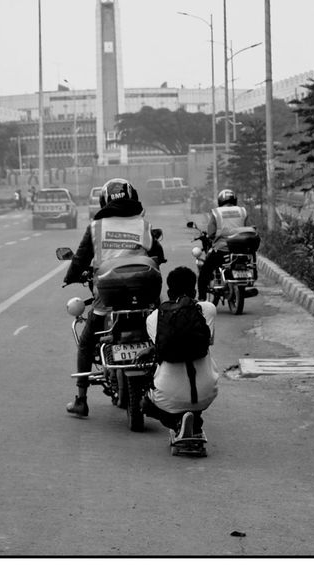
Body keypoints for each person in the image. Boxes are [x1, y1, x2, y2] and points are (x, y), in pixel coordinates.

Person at [61, 178, 165, 417]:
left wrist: (70, 278)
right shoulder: (143, 225)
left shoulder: (96, 227)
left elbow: (79, 260)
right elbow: (158, 254)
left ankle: (81, 399)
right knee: (161, 329)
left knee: (87, 341)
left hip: (108, 295)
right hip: (144, 293)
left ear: (104, 201)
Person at [140, 266, 218, 443]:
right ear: (195, 290)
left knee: (145, 404)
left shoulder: (153, 318)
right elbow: (208, 342)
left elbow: (161, 345)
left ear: (168, 291)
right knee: (196, 389)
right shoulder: (208, 309)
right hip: (207, 391)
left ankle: (177, 422)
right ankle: (194, 420)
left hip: (168, 394)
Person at [196, 189, 255, 302]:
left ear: (220, 201)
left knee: (204, 272)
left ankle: (202, 298)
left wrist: (211, 236)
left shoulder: (217, 212)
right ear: (234, 200)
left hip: (222, 249)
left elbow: (211, 233)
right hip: (242, 250)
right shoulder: (242, 211)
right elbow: (250, 228)